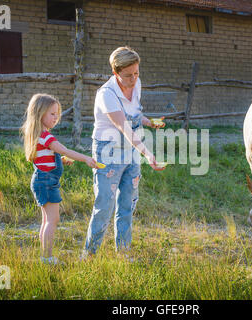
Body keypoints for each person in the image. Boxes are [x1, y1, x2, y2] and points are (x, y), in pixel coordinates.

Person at [82, 46, 165, 259]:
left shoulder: (136, 85)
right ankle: (89, 254)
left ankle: (124, 253)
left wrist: (148, 122)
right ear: (115, 73)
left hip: (132, 150)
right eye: (128, 75)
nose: (134, 79)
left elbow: (134, 116)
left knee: (128, 202)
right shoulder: (106, 95)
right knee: (104, 204)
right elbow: (124, 128)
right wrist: (148, 153)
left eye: (137, 73)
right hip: (108, 152)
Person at [21, 93, 99, 265]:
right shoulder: (47, 136)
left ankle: (44, 256)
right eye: (52, 114)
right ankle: (47, 258)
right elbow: (63, 149)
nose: (56, 118)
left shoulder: (38, 134)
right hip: (47, 182)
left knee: (46, 220)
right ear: (40, 113)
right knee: (52, 220)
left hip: (42, 180)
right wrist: (85, 158)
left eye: (57, 114)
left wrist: (60, 160)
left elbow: (44, 157)